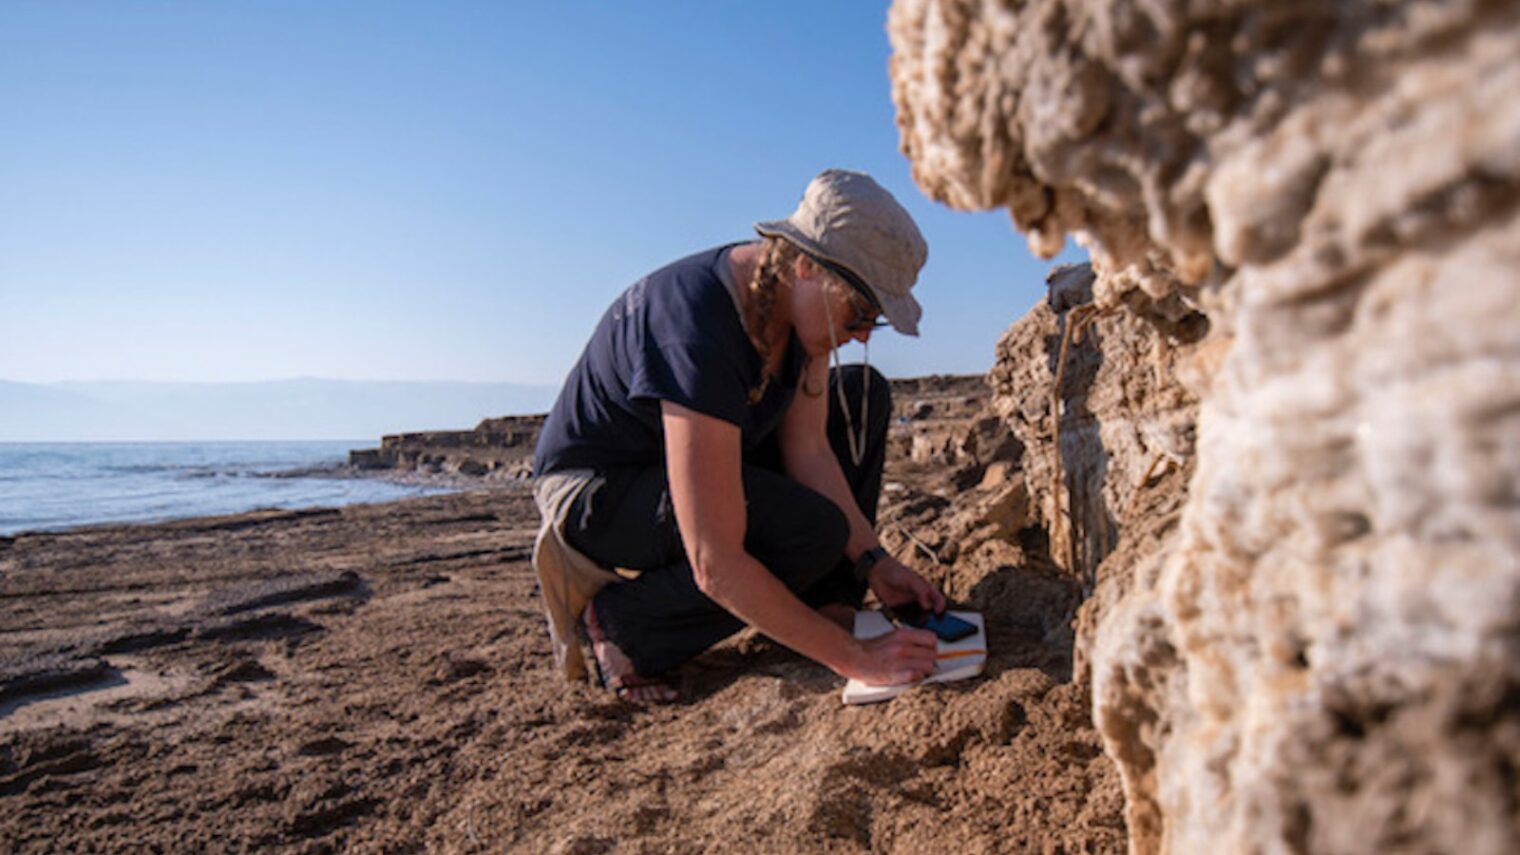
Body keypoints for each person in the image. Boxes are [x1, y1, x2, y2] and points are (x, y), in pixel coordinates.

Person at [531, 169, 947, 703]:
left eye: (877, 320)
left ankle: (828, 604)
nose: (865, 332)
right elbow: (715, 559)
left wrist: (876, 562)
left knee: (861, 396)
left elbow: (810, 452)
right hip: (597, 490)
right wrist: (856, 660)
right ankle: (626, 623)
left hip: (682, 463)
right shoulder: (696, 324)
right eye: (861, 311)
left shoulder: (795, 311)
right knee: (810, 530)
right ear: (804, 266)